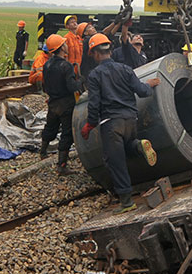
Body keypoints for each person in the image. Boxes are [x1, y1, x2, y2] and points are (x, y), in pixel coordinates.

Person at [80, 34, 161, 212]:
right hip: (131, 120)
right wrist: (149, 84)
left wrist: (89, 125)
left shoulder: (95, 75)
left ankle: (126, 202)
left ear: (94, 53)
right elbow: (142, 91)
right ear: (109, 50)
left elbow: (94, 104)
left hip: (111, 124)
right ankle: (139, 145)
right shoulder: (125, 69)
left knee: (115, 161)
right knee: (127, 147)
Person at [40, 34, 81, 175]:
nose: (67, 45)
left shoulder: (47, 64)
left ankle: (43, 152)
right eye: (65, 44)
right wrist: (80, 83)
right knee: (67, 133)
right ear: (61, 47)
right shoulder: (66, 66)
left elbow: (44, 85)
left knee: (50, 127)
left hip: (53, 103)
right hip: (66, 104)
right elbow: (71, 87)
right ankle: (61, 165)